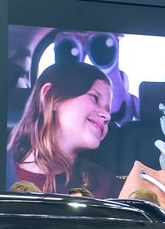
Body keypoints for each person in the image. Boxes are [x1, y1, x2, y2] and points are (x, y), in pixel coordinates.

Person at [7, 62, 114, 196]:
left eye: (108, 110)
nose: (107, 116)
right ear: (50, 97)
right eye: (94, 98)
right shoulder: (1, 172)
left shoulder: (104, 184)